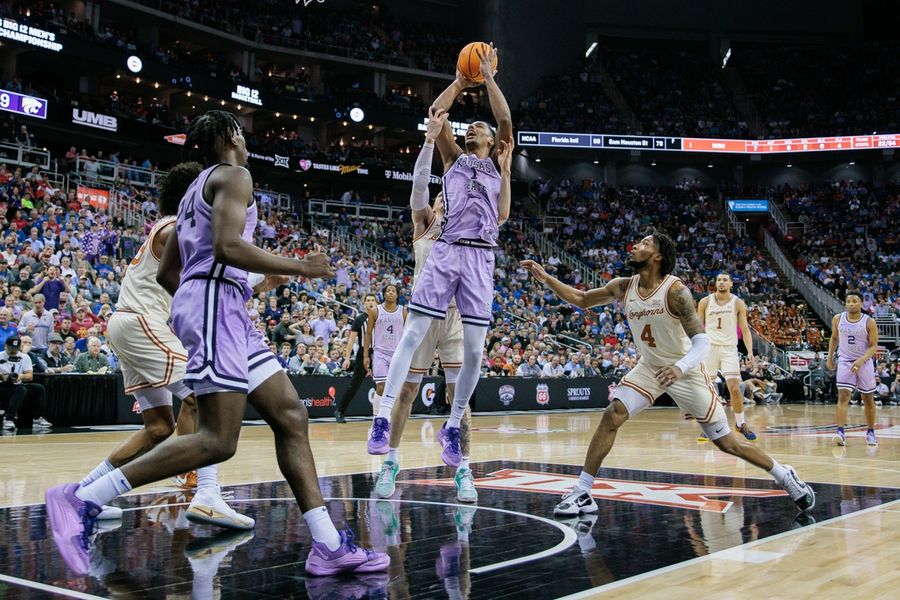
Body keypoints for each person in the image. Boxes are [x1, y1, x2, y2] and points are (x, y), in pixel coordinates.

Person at [45, 110, 388, 577]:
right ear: (228, 138)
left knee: (291, 414)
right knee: (216, 440)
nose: (246, 142)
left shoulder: (193, 190)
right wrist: (300, 266)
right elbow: (227, 247)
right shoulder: (235, 174)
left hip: (220, 305)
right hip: (215, 306)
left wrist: (203, 295)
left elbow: (170, 273)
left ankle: (327, 544)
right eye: (242, 134)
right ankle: (83, 498)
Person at [520, 232, 815, 517]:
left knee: (726, 442)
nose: (635, 246)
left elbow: (702, 341)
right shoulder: (624, 286)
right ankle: (583, 491)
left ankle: (783, 473)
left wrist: (679, 368)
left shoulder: (675, 292)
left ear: (658, 256)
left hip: (685, 370)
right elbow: (582, 299)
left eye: (644, 243)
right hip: (650, 366)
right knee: (613, 413)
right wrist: (546, 278)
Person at [70, 162, 254, 527]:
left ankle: (81, 494)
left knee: (157, 429)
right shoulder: (175, 230)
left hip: (128, 323)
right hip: (142, 322)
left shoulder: (170, 228)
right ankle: (206, 491)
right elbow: (204, 275)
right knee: (206, 397)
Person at [367, 46, 513, 469]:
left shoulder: (499, 160)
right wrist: (460, 82)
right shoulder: (453, 158)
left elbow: (503, 120)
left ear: (492, 142)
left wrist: (487, 79)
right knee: (412, 336)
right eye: (470, 129)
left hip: (481, 257)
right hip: (447, 251)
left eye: (478, 129)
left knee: (475, 352)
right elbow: (436, 113)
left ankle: (452, 427)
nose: (473, 131)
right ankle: (381, 419)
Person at [697, 273, 757, 441]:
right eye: (719, 280)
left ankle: (739, 424)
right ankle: (709, 427)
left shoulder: (737, 303)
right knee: (708, 390)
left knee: (735, 389)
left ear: (731, 283)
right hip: (710, 348)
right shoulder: (705, 302)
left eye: (725, 280)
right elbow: (696, 327)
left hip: (729, 349)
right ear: (715, 283)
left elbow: (745, 330)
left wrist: (750, 351)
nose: (721, 282)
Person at [827, 290, 880, 446]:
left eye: (854, 301)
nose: (851, 304)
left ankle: (870, 432)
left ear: (861, 303)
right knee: (843, 396)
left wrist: (861, 360)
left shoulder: (869, 322)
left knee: (868, 398)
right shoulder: (838, 319)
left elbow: (874, 347)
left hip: (864, 362)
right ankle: (840, 432)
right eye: (848, 301)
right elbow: (834, 338)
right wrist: (829, 357)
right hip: (844, 361)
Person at [334, 294, 378, 423]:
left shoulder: (380, 318)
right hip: (363, 353)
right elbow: (351, 340)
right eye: (368, 300)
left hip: (378, 353)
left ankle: (382, 413)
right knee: (355, 384)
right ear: (364, 303)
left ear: (376, 303)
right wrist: (347, 358)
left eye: (372, 300)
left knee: (382, 383)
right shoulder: (359, 319)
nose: (370, 303)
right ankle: (340, 411)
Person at [364, 284, 406, 415]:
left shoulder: (404, 312)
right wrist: (366, 355)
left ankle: (391, 418)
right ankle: (377, 418)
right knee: (381, 386)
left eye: (394, 291)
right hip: (380, 353)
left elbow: (407, 335)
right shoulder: (375, 311)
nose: (391, 293)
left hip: (398, 354)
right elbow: (368, 334)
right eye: (388, 291)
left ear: (397, 295)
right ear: (384, 294)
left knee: (396, 389)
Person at [0, 336, 51, 430]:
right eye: (11, 349)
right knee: (20, 389)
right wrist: (2, 376)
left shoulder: (25, 357)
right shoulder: (0, 356)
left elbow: (29, 376)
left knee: (38, 388)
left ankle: (38, 418)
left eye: (15, 349)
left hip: (18, 384)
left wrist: (21, 376)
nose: (13, 352)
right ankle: (9, 418)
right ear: (5, 346)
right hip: (2, 386)